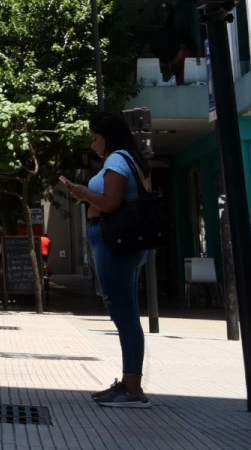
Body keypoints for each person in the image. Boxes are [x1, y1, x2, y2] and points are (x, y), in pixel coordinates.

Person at [60, 112, 152, 408]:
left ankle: (133, 387)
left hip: (114, 243)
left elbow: (111, 202)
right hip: (117, 242)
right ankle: (128, 382)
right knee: (125, 312)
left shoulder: (116, 160)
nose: (93, 144)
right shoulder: (132, 159)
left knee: (123, 314)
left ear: (107, 137)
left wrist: (83, 192)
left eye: (95, 138)